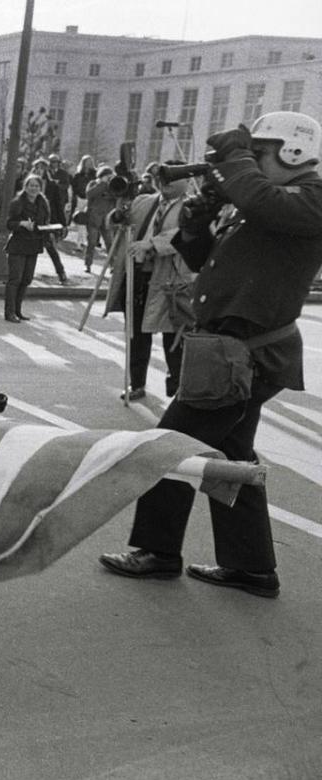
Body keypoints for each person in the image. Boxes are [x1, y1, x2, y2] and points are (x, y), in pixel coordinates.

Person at [99, 112, 322, 599]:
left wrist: (237, 163)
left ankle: (157, 552)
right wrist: (196, 226)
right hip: (231, 352)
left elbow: (264, 200)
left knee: (168, 445)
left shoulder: (310, 199)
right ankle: (250, 566)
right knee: (230, 456)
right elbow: (204, 260)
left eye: (261, 153)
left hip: (243, 355)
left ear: (294, 151)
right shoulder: (266, 204)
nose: (254, 164)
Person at [105, 160, 194, 400]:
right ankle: (136, 384)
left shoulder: (192, 206)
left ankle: (177, 390)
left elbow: (185, 234)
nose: (166, 182)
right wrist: (118, 213)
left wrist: (152, 244)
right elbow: (116, 223)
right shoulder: (144, 201)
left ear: (187, 181)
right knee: (136, 333)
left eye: (173, 177)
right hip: (139, 277)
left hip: (170, 281)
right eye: (164, 176)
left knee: (173, 337)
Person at [3, 174, 50, 323]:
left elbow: (44, 222)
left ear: (40, 188)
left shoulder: (43, 203)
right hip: (18, 244)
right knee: (15, 279)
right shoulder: (18, 202)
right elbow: (9, 223)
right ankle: (9, 312)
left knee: (26, 279)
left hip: (34, 244)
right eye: (31, 185)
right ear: (26, 186)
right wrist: (22, 224)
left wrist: (49, 229)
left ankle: (18, 310)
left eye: (36, 186)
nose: (33, 188)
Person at [31, 158, 69, 284]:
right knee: (29, 248)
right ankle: (27, 274)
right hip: (31, 220)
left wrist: (63, 224)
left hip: (46, 222)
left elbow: (58, 205)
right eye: (38, 167)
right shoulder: (28, 184)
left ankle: (61, 273)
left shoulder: (51, 185)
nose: (40, 170)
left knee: (50, 247)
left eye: (42, 168)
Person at [83, 165, 117, 273]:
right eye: (107, 176)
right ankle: (88, 264)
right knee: (92, 242)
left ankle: (113, 266)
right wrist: (102, 184)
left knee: (110, 243)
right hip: (94, 218)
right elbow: (89, 194)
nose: (109, 179)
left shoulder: (113, 186)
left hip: (107, 219)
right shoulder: (94, 184)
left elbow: (117, 197)